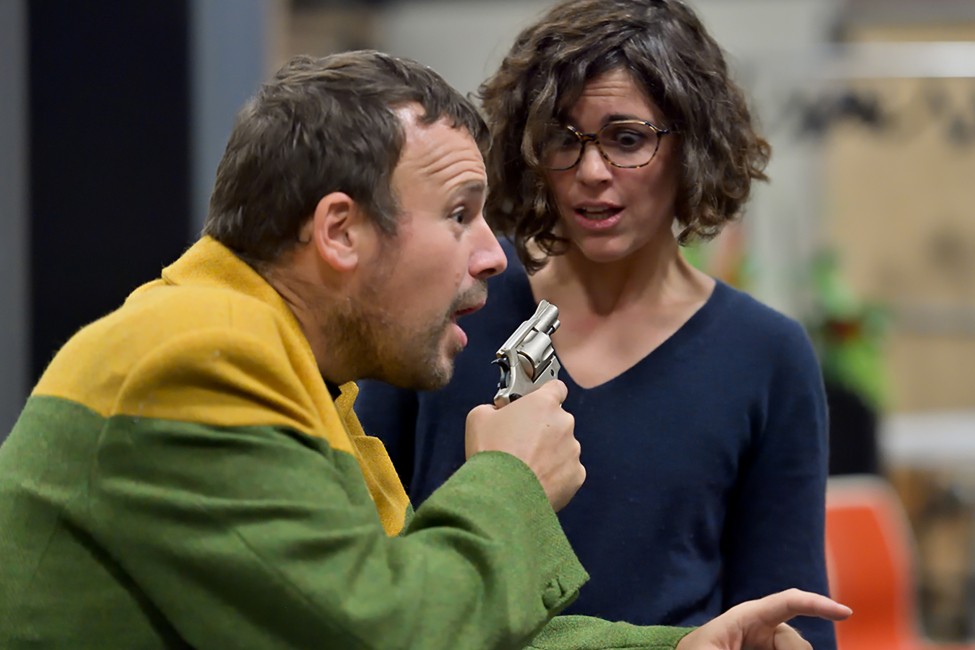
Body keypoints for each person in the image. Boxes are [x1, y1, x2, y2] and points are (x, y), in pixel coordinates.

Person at [0, 50, 848, 649]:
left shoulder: (301, 377)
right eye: (458, 214)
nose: (492, 253)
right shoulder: (201, 358)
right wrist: (509, 485)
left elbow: (428, 610)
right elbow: (395, 634)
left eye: (627, 140)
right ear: (339, 231)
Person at [357, 1, 836, 647]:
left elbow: (785, 610)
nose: (590, 171)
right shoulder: (452, 305)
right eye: (563, 139)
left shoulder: (764, 354)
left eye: (627, 139)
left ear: (690, 145)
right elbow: (362, 557)